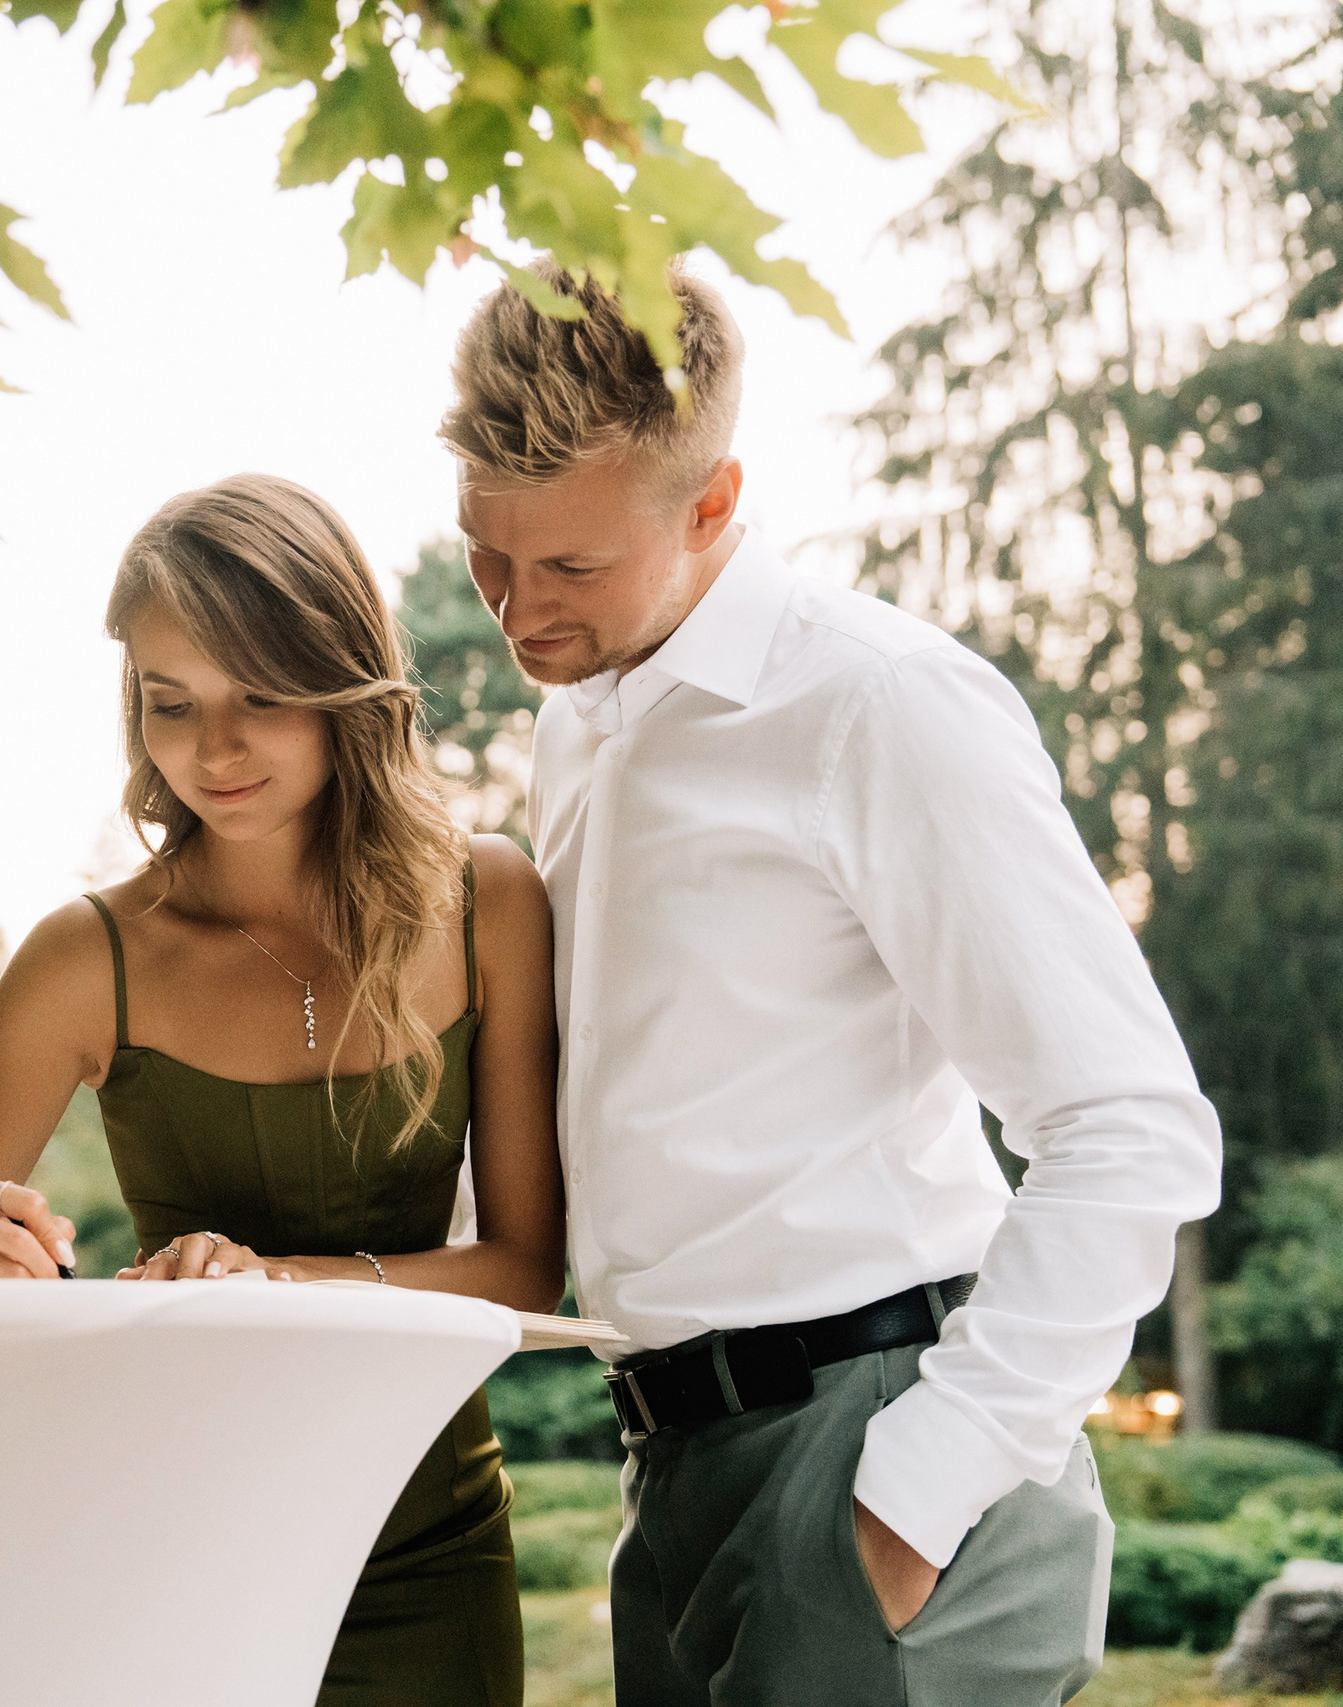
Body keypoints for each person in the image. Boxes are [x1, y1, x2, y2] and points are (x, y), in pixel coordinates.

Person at [443, 259, 1222, 1704]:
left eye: (569, 567)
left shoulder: (878, 703)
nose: (514, 610)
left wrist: (912, 1500)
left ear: (714, 505)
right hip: (671, 1474)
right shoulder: (580, 730)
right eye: (489, 554)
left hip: (870, 1457)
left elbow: (1130, 1127)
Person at [0, 472, 566, 1707]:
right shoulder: (86, 961)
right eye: (170, 704)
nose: (213, 751)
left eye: (260, 699)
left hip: (432, 1540)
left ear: (343, 682)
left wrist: (275, 1283)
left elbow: (523, 1267)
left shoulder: (486, 901)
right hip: (175, 1542)